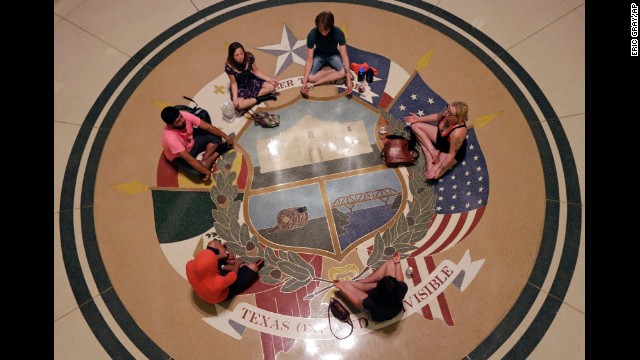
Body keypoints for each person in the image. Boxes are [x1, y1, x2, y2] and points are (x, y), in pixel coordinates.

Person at [160, 105, 234, 181]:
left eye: (180, 116)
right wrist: (206, 171)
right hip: (179, 157)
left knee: (216, 137)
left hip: (191, 142)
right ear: (170, 125)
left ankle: (205, 160)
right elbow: (189, 160)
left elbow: (208, 127)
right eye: (178, 121)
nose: (182, 120)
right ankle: (219, 151)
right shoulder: (170, 138)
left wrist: (226, 137)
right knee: (200, 173)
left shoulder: (185, 115)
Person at [332, 252, 408, 322]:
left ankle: (363, 283)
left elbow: (356, 302)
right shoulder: (401, 289)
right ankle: (364, 282)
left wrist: (341, 287)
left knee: (346, 285)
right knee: (391, 263)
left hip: (377, 315)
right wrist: (397, 262)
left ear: (378, 288)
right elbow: (400, 280)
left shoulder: (371, 302)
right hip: (391, 303)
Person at [186, 239, 264, 305]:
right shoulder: (216, 283)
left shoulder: (189, 265)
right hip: (224, 291)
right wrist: (237, 264)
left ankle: (224, 263)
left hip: (210, 275)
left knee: (213, 243)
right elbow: (232, 276)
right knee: (253, 266)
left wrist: (224, 256)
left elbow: (211, 259)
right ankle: (229, 264)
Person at [404, 101, 469, 180]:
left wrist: (439, 169)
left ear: (459, 118)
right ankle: (432, 150)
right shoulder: (447, 111)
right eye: (448, 108)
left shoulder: (457, 133)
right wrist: (418, 118)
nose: (446, 113)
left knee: (432, 174)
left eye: (450, 113)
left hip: (448, 151)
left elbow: (451, 154)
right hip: (440, 139)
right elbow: (438, 116)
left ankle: (426, 152)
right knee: (415, 126)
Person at [300, 11, 353, 97]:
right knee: (309, 78)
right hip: (319, 55)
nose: (324, 33)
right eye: (321, 30)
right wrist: (305, 83)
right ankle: (333, 71)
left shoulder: (338, 33)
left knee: (344, 72)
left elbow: (344, 55)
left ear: (331, 27)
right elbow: (309, 59)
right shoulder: (312, 34)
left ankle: (331, 74)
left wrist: (349, 82)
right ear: (317, 27)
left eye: (326, 30)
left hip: (333, 55)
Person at [225, 42, 279, 110]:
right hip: (240, 86)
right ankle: (260, 98)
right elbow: (234, 83)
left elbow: (256, 71)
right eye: (237, 55)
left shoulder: (249, 57)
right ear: (232, 56)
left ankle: (252, 99)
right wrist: (235, 98)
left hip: (251, 79)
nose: (240, 57)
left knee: (272, 87)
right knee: (239, 106)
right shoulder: (229, 66)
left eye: (241, 53)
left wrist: (269, 79)